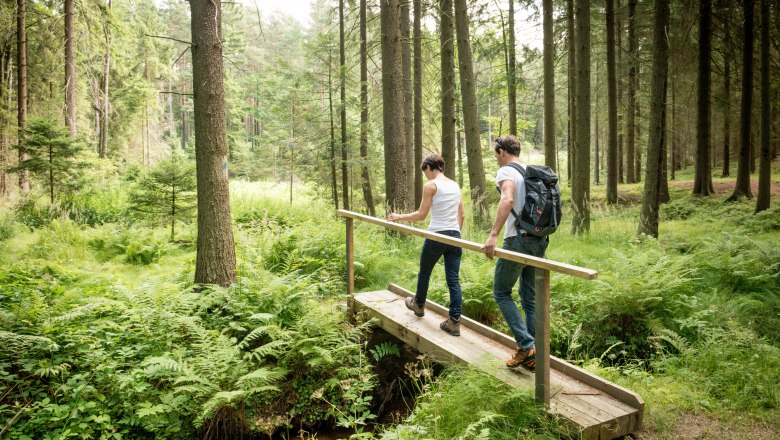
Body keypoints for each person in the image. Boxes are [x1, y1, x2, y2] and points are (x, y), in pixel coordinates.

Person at [482, 135, 550, 371]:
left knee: (501, 292)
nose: (496, 159)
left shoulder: (506, 172)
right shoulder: (530, 171)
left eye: (495, 154)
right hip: (539, 240)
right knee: (529, 297)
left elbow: (507, 198)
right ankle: (534, 353)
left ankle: (526, 345)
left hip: (518, 239)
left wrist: (493, 235)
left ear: (502, 152)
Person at [388, 154, 465, 336]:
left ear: (430, 167)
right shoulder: (455, 186)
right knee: (453, 280)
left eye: (426, 172)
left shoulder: (431, 186)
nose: (426, 176)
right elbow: (462, 214)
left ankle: (419, 304)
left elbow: (421, 215)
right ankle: (454, 322)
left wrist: (400, 217)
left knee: (425, 272)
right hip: (455, 236)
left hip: (437, 235)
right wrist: (455, 234)